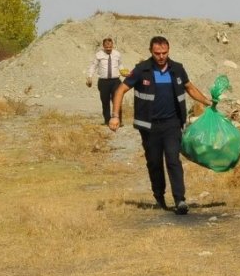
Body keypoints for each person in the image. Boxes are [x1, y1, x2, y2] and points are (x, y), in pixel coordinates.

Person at [109, 36, 212, 215]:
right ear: (151, 51)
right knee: (154, 163)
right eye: (157, 53)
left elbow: (189, 87)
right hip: (149, 127)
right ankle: (159, 196)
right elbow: (120, 90)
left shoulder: (177, 69)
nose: (161, 56)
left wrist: (208, 102)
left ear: (168, 51)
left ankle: (180, 200)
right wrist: (115, 116)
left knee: (173, 160)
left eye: (164, 53)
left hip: (172, 124)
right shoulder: (142, 70)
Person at [86, 38, 124, 125]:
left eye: (110, 47)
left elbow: (120, 65)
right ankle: (107, 121)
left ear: (112, 45)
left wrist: (124, 72)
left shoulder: (117, 54)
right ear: (103, 46)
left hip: (115, 81)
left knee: (117, 101)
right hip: (103, 82)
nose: (108, 49)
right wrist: (90, 76)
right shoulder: (98, 55)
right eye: (106, 47)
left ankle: (119, 121)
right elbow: (93, 66)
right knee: (105, 101)